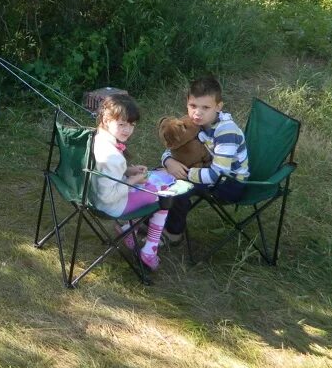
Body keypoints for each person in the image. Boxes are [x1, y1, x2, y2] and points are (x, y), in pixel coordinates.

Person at [160, 76, 249, 244]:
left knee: (179, 188)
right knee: (160, 174)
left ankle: (174, 233)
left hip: (230, 184)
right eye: (193, 106)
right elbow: (173, 148)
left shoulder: (226, 132)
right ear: (187, 103)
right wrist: (169, 162)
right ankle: (154, 220)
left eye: (205, 107)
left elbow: (217, 175)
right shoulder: (195, 123)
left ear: (218, 107)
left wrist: (184, 174)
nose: (197, 112)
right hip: (206, 170)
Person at [91, 93, 170, 270]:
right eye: (121, 124)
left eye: (131, 125)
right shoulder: (111, 155)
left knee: (148, 186)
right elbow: (107, 196)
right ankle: (149, 249)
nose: (127, 130)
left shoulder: (97, 138)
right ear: (105, 119)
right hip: (109, 205)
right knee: (163, 194)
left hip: (91, 197)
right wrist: (133, 180)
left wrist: (127, 170)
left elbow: (104, 173)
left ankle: (129, 229)